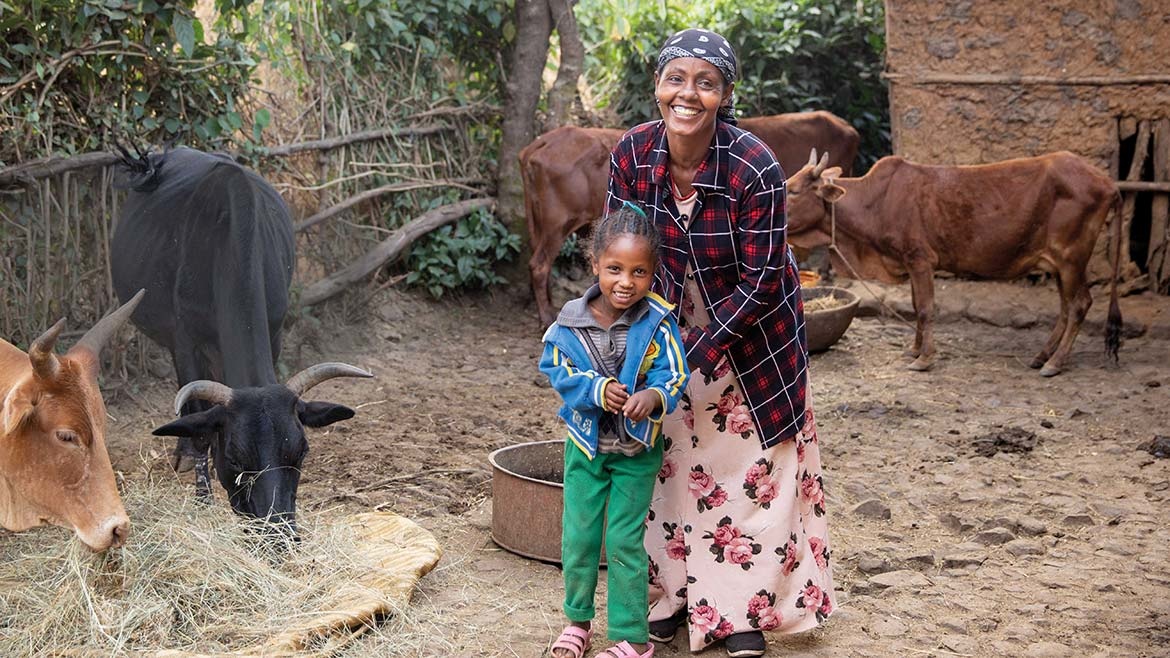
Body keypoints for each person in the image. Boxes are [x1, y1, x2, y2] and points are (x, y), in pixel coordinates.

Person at [605, 28, 835, 658]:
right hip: (664, 326)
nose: (688, 94)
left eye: (705, 83)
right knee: (667, 464)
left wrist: (698, 353)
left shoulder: (752, 165)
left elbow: (763, 278)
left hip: (752, 334)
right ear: (657, 86)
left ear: (725, 95)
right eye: (676, 79)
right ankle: (671, 601)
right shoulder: (631, 155)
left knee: (750, 471)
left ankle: (739, 616)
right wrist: (632, 341)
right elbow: (618, 255)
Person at [540, 204, 691, 658]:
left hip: (636, 450)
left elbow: (676, 373)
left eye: (639, 271)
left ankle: (632, 638)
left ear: (653, 273)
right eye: (614, 269)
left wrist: (655, 397)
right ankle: (577, 622)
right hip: (586, 447)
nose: (626, 281)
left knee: (625, 540)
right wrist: (594, 389)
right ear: (594, 266)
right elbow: (555, 367)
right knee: (580, 535)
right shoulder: (568, 323)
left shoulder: (658, 322)